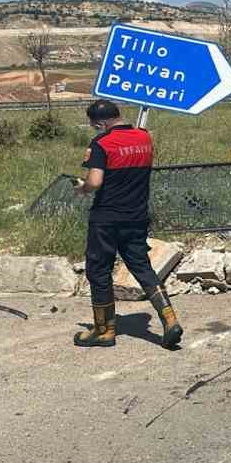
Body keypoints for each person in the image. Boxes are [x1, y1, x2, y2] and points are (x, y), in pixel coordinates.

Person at [73, 99, 183, 349]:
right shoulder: (145, 138)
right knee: (142, 268)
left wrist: (83, 188)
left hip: (107, 218)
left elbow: (96, 181)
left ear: (100, 123)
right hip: (137, 216)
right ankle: (169, 318)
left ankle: (104, 331)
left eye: (94, 126)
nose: (95, 130)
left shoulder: (101, 144)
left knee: (99, 271)